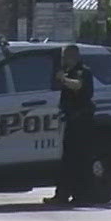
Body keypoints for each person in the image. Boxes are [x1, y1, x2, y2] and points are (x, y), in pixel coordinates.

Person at [45, 44, 96, 207]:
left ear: (73, 56)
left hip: (82, 121)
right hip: (70, 121)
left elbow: (78, 85)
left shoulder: (83, 71)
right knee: (68, 160)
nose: (63, 60)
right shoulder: (67, 73)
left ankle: (82, 195)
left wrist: (63, 79)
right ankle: (62, 195)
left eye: (65, 56)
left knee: (80, 160)